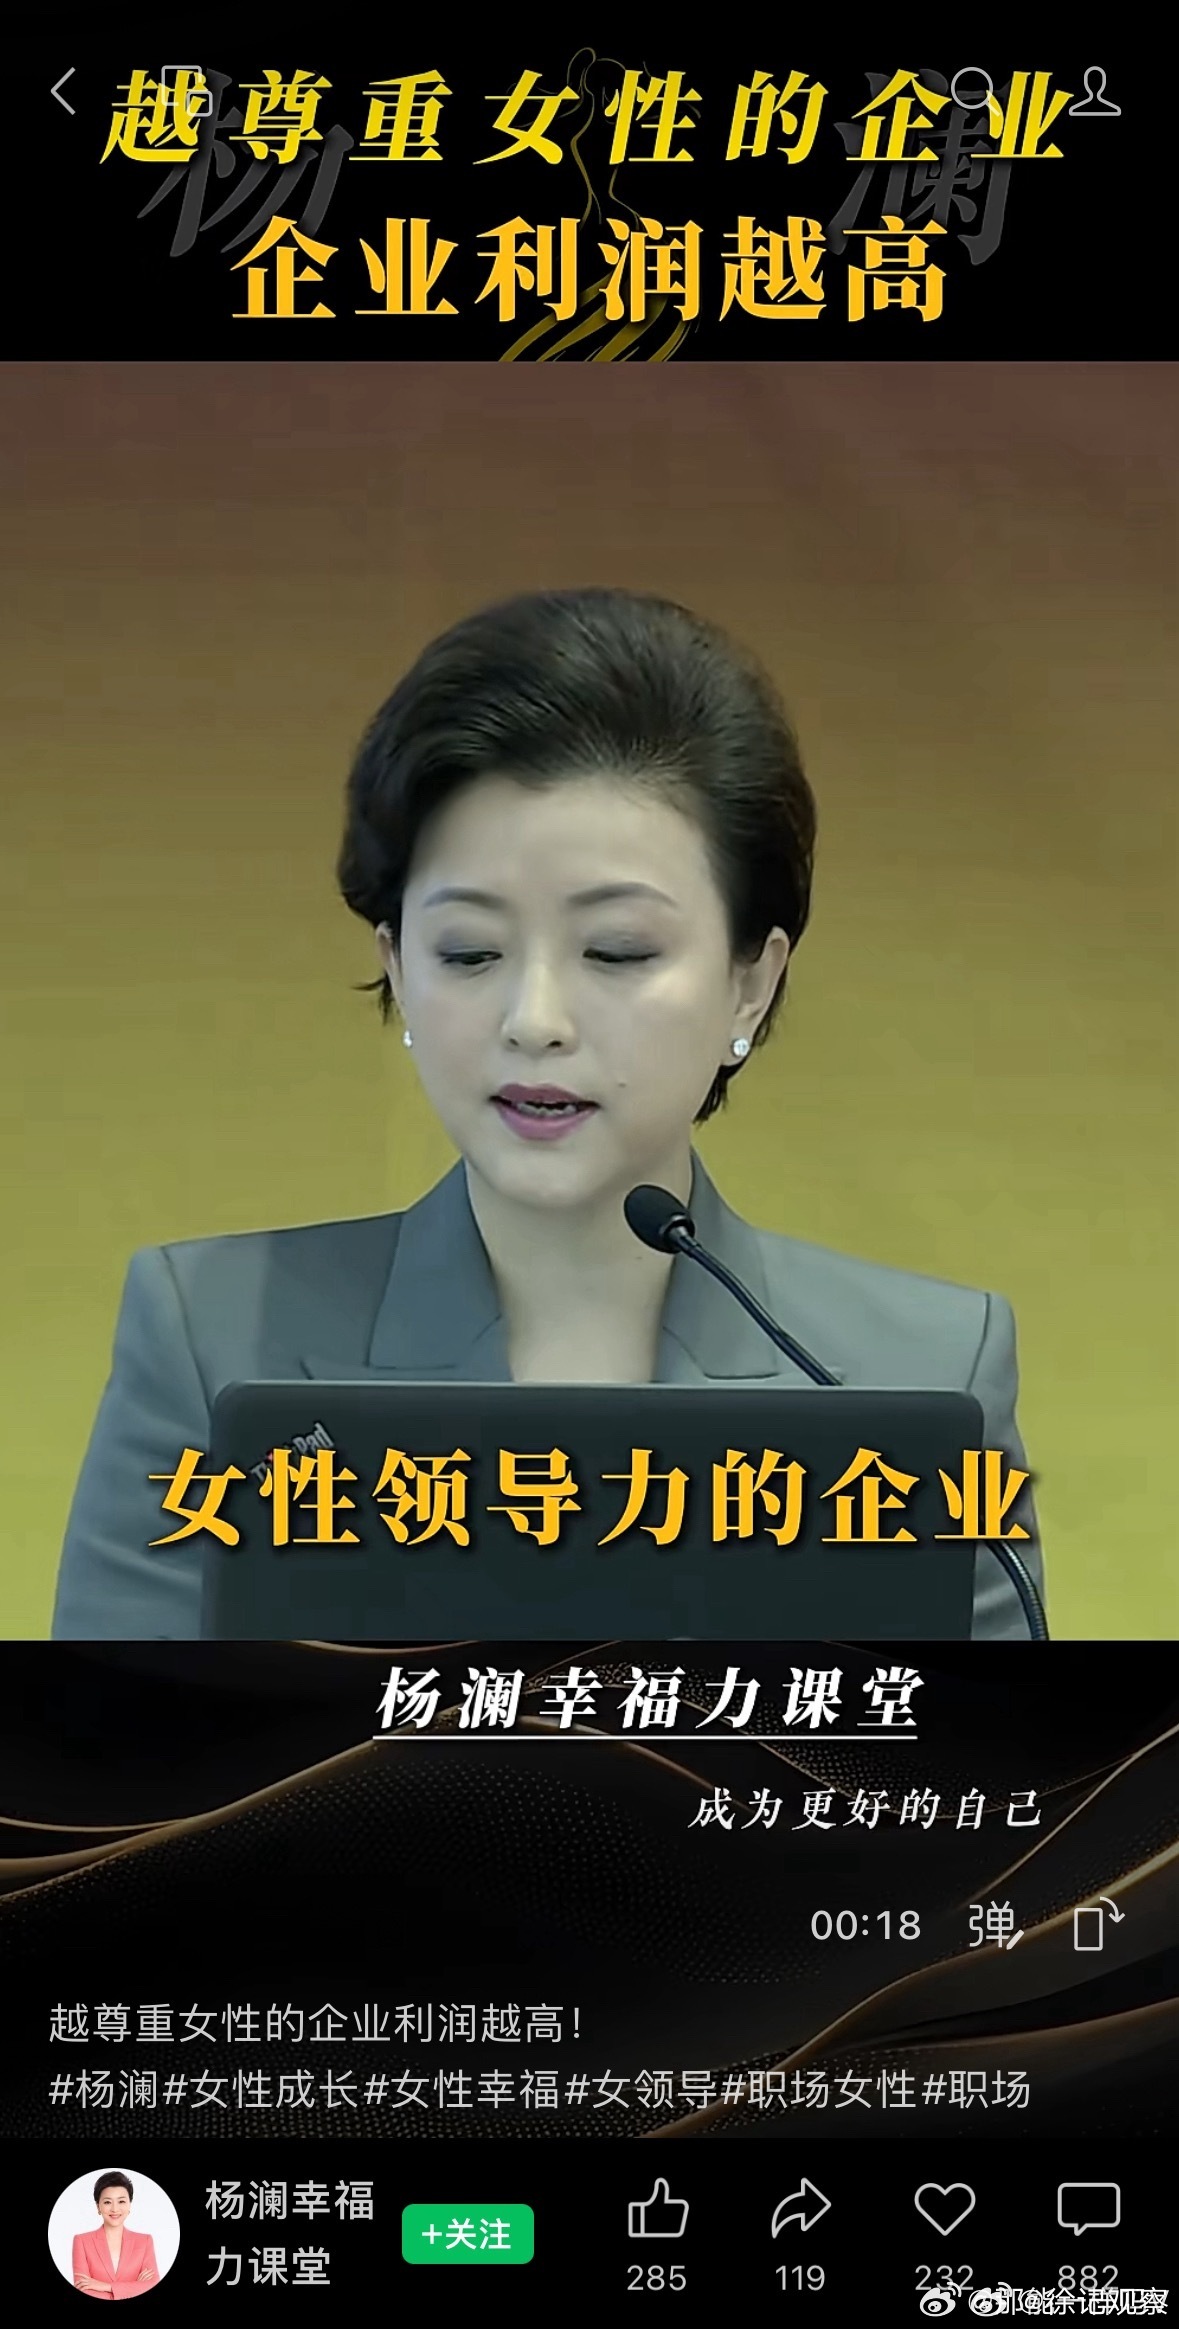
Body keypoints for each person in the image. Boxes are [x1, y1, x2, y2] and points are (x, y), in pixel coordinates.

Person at [52, 588, 1044, 1640]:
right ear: (397, 965)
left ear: (750, 983)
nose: (534, 1021)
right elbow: (120, 1743)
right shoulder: (212, 1338)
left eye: (615, 951)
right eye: (470, 952)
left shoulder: (924, 1374)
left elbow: (971, 1748)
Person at [72, 2173, 158, 2300]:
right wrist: (133, 2288)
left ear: (129, 2205)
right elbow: (83, 2289)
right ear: (98, 2206)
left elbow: (152, 2285)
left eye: (121, 2201)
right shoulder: (81, 2241)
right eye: (107, 2202)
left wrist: (106, 2287)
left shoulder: (145, 2241)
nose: (115, 2209)